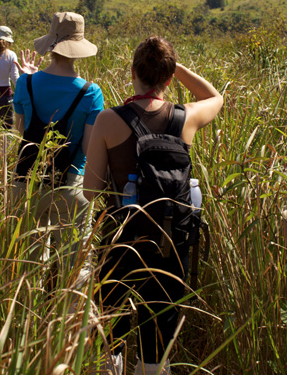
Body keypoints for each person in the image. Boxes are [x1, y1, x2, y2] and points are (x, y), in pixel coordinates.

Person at [83, 36, 223, 375]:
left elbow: (90, 191)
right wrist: (176, 68)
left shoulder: (108, 120)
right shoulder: (185, 117)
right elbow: (215, 97)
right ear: (169, 79)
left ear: (133, 72)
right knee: (156, 348)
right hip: (169, 245)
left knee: (109, 341)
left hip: (120, 243)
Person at [12, 11, 104, 285]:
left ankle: (28, 312)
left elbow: (20, 132)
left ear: (51, 44)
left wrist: (29, 80)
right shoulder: (90, 92)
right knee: (74, 270)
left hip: (26, 184)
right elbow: (88, 147)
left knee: (27, 272)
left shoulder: (25, 82)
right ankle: (71, 312)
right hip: (71, 185)